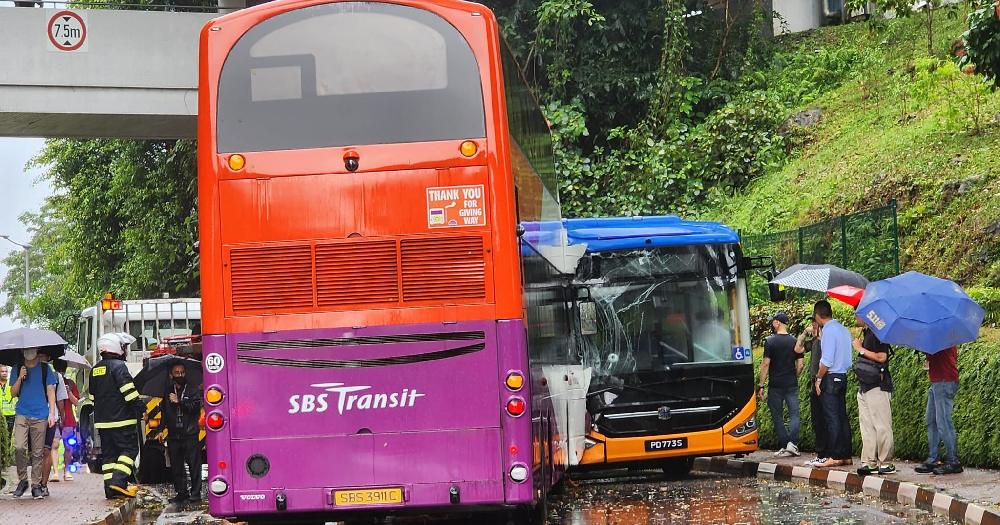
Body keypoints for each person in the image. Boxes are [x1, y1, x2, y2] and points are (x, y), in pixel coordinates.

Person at [91, 333, 147, 498]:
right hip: (122, 421)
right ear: (117, 347)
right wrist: (141, 408)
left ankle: (110, 489)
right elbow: (129, 393)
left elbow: (93, 397)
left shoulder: (95, 369)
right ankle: (118, 481)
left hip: (103, 423)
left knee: (109, 455)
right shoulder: (119, 367)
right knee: (130, 450)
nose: (126, 350)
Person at [10, 347, 57, 499]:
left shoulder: (45, 368)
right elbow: (13, 393)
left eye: (32, 349)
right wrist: (20, 377)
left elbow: (51, 391)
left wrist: (51, 413)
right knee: (19, 447)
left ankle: (36, 485)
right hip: (22, 413)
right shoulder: (17, 368)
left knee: (37, 452)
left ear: (37, 349)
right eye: (26, 349)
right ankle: (23, 480)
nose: (29, 351)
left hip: (40, 414)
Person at [812, 300, 853, 468]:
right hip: (842, 376)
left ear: (817, 315)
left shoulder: (828, 332)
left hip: (830, 378)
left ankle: (835, 455)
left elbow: (826, 361)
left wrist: (819, 379)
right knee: (842, 417)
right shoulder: (843, 330)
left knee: (832, 418)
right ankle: (846, 455)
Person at [757, 311, 803, 457]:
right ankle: (793, 444)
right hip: (791, 383)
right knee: (794, 414)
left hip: (775, 385)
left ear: (777, 323)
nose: (771, 324)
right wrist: (793, 376)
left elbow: (765, 364)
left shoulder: (770, 341)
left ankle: (785, 445)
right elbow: (800, 364)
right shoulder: (795, 341)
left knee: (777, 416)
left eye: (773, 321)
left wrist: (761, 385)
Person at [853, 317, 894, 476]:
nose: (855, 316)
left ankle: (886, 462)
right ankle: (869, 461)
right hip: (865, 386)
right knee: (867, 426)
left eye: (857, 312)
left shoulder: (878, 332)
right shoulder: (867, 332)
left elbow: (881, 357)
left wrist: (860, 349)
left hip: (878, 385)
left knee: (881, 424)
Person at [158, 362, 203, 503]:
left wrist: (179, 402)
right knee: (176, 466)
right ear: (172, 375)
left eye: (182, 372)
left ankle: (195, 494)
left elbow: (194, 407)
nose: (180, 375)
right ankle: (181, 492)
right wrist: (160, 430)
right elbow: (164, 412)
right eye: (177, 373)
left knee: (194, 465)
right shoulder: (167, 392)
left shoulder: (192, 390)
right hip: (173, 435)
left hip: (189, 434)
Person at [914, 346, 962, 475]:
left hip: (944, 380)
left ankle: (953, 461)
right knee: (931, 420)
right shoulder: (937, 335)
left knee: (944, 422)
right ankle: (933, 459)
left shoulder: (941, 335)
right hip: (937, 381)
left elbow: (935, 351)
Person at [796, 318, 828, 465]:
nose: (813, 325)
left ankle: (825, 453)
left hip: (822, 381)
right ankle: (821, 452)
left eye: (816, 322)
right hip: (814, 381)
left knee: (824, 419)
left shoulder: (825, 340)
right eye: (812, 323)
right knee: (816, 419)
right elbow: (797, 349)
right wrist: (804, 333)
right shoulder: (814, 341)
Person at [37, 352, 70, 496]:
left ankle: (43, 483)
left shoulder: (56, 377)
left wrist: (61, 417)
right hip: (33, 416)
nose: (41, 358)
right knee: (35, 452)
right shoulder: (28, 372)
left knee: (47, 449)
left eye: (44, 355)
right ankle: (34, 481)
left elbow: (60, 401)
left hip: (51, 417)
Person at [52, 359, 81, 481]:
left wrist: (68, 391)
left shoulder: (71, 383)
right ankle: (55, 472)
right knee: (55, 444)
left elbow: (76, 402)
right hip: (54, 418)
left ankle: (66, 470)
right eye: (58, 370)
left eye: (62, 371)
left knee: (69, 446)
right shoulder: (51, 382)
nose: (61, 373)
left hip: (69, 419)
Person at [1, 365, 16, 437]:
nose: (4, 373)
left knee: (8, 437)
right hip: (1, 415)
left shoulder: (12, 383)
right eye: (2, 371)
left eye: (6, 371)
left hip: (10, 414)